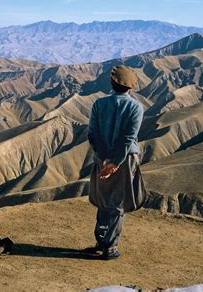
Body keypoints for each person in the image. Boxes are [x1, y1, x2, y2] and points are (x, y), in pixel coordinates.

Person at [86, 65, 146, 260]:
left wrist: (104, 159)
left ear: (111, 83)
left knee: (104, 201)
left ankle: (101, 240)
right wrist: (115, 163)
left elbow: (93, 134)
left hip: (101, 159)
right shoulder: (136, 107)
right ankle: (110, 247)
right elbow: (128, 139)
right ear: (131, 88)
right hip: (125, 161)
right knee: (117, 203)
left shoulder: (98, 104)